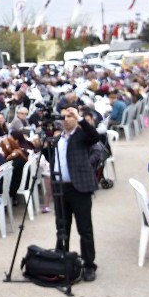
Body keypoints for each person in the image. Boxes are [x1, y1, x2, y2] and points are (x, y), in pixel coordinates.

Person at [49, 107, 100, 281]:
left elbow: (95, 137)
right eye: (64, 116)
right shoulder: (58, 139)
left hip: (79, 187)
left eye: (70, 116)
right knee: (62, 226)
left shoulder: (82, 135)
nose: (66, 119)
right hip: (60, 188)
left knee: (84, 228)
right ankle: (61, 259)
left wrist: (81, 119)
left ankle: (89, 264)